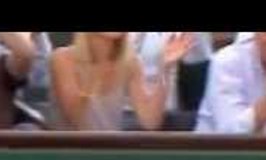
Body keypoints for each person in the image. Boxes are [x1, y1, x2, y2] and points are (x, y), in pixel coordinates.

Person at [49, 31, 192, 130]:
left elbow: (150, 121)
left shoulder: (130, 62)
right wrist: (98, 64)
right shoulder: (62, 59)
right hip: (68, 154)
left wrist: (165, 68)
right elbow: (76, 119)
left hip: (110, 153)